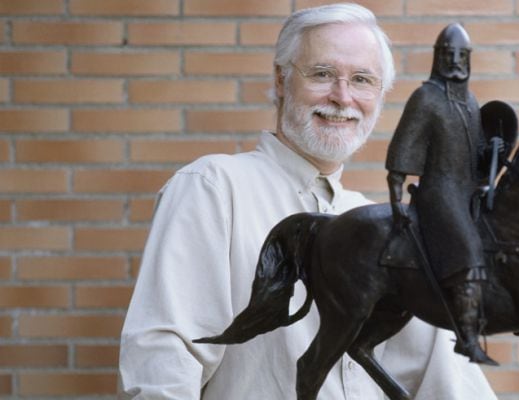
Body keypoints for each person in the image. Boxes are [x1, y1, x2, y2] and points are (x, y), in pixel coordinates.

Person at [118, 4, 497, 399]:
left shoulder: (390, 225)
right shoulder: (214, 188)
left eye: (363, 80)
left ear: (381, 96)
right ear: (281, 81)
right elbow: (163, 361)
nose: (342, 97)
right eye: (322, 74)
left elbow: (450, 381)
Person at [386, 23, 496, 366]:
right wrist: (396, 199)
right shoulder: (426, 98)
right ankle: (466, 337)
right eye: (449, 55)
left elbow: (476, 154)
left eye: (462, 56)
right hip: (439, 192)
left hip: (468, 190)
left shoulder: (471, 101)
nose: (456, 61)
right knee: (467, 248)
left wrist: (493, 148)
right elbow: (403, 149)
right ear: (437, 57)